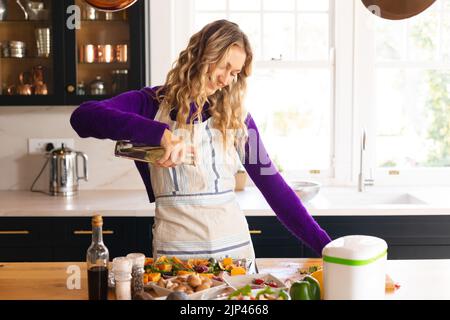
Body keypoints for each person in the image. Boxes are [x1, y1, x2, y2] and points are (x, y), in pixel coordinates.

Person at [70, 19, 331, 261]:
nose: (225, 79)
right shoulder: (151, 104)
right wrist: (159, 134)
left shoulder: (238, 119)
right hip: (175, 261)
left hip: (235, 260)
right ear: (200, 55)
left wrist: (327, 248)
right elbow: (83, 117)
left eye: (234, 73)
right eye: (222, 65)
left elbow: (275, 189)